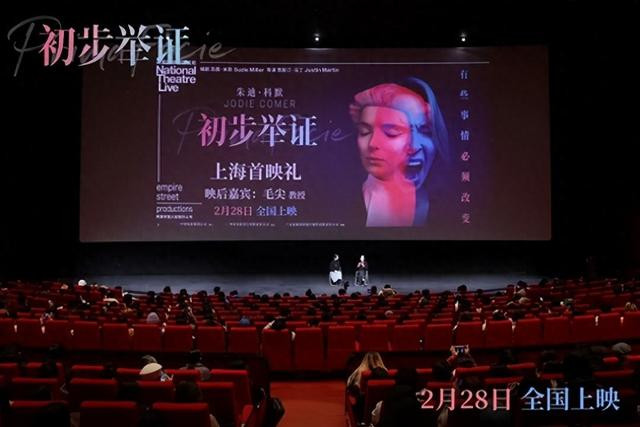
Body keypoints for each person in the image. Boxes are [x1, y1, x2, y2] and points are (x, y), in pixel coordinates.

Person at [349, 78, 448, 226]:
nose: (372, 144)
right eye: (364, 131)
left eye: (425, 131)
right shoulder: (340, 206)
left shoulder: (448, 212)